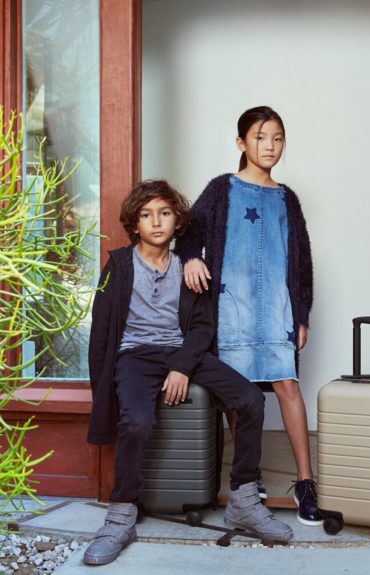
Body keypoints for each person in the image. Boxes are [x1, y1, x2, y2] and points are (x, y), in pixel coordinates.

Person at [84, 180, 292, 566]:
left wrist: (181, 366)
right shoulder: (119, 265)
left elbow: (202, 327)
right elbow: (101, 332)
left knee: (249, 399)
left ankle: (244, 499)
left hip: (182, 352)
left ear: (178, 220)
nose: (156, 222)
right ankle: (122, 513)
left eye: (164, 213)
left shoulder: (188, 266)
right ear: (134, 224)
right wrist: (104, 393)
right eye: (146, 216)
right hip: (135, 356)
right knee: (137, 422)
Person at [174, 106, 320, 526]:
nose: (270, 146)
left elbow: (303, 260)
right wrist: (189, 261)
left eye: (277, 138)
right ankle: (247, 479)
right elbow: (188, 232)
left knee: (287, 386)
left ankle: (305, 482)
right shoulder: (222, 190)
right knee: (239, 398)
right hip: (231, 308)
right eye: (260, 138)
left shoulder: (286, 198)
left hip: (276, 307)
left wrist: (303, 313)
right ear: (241, 144)